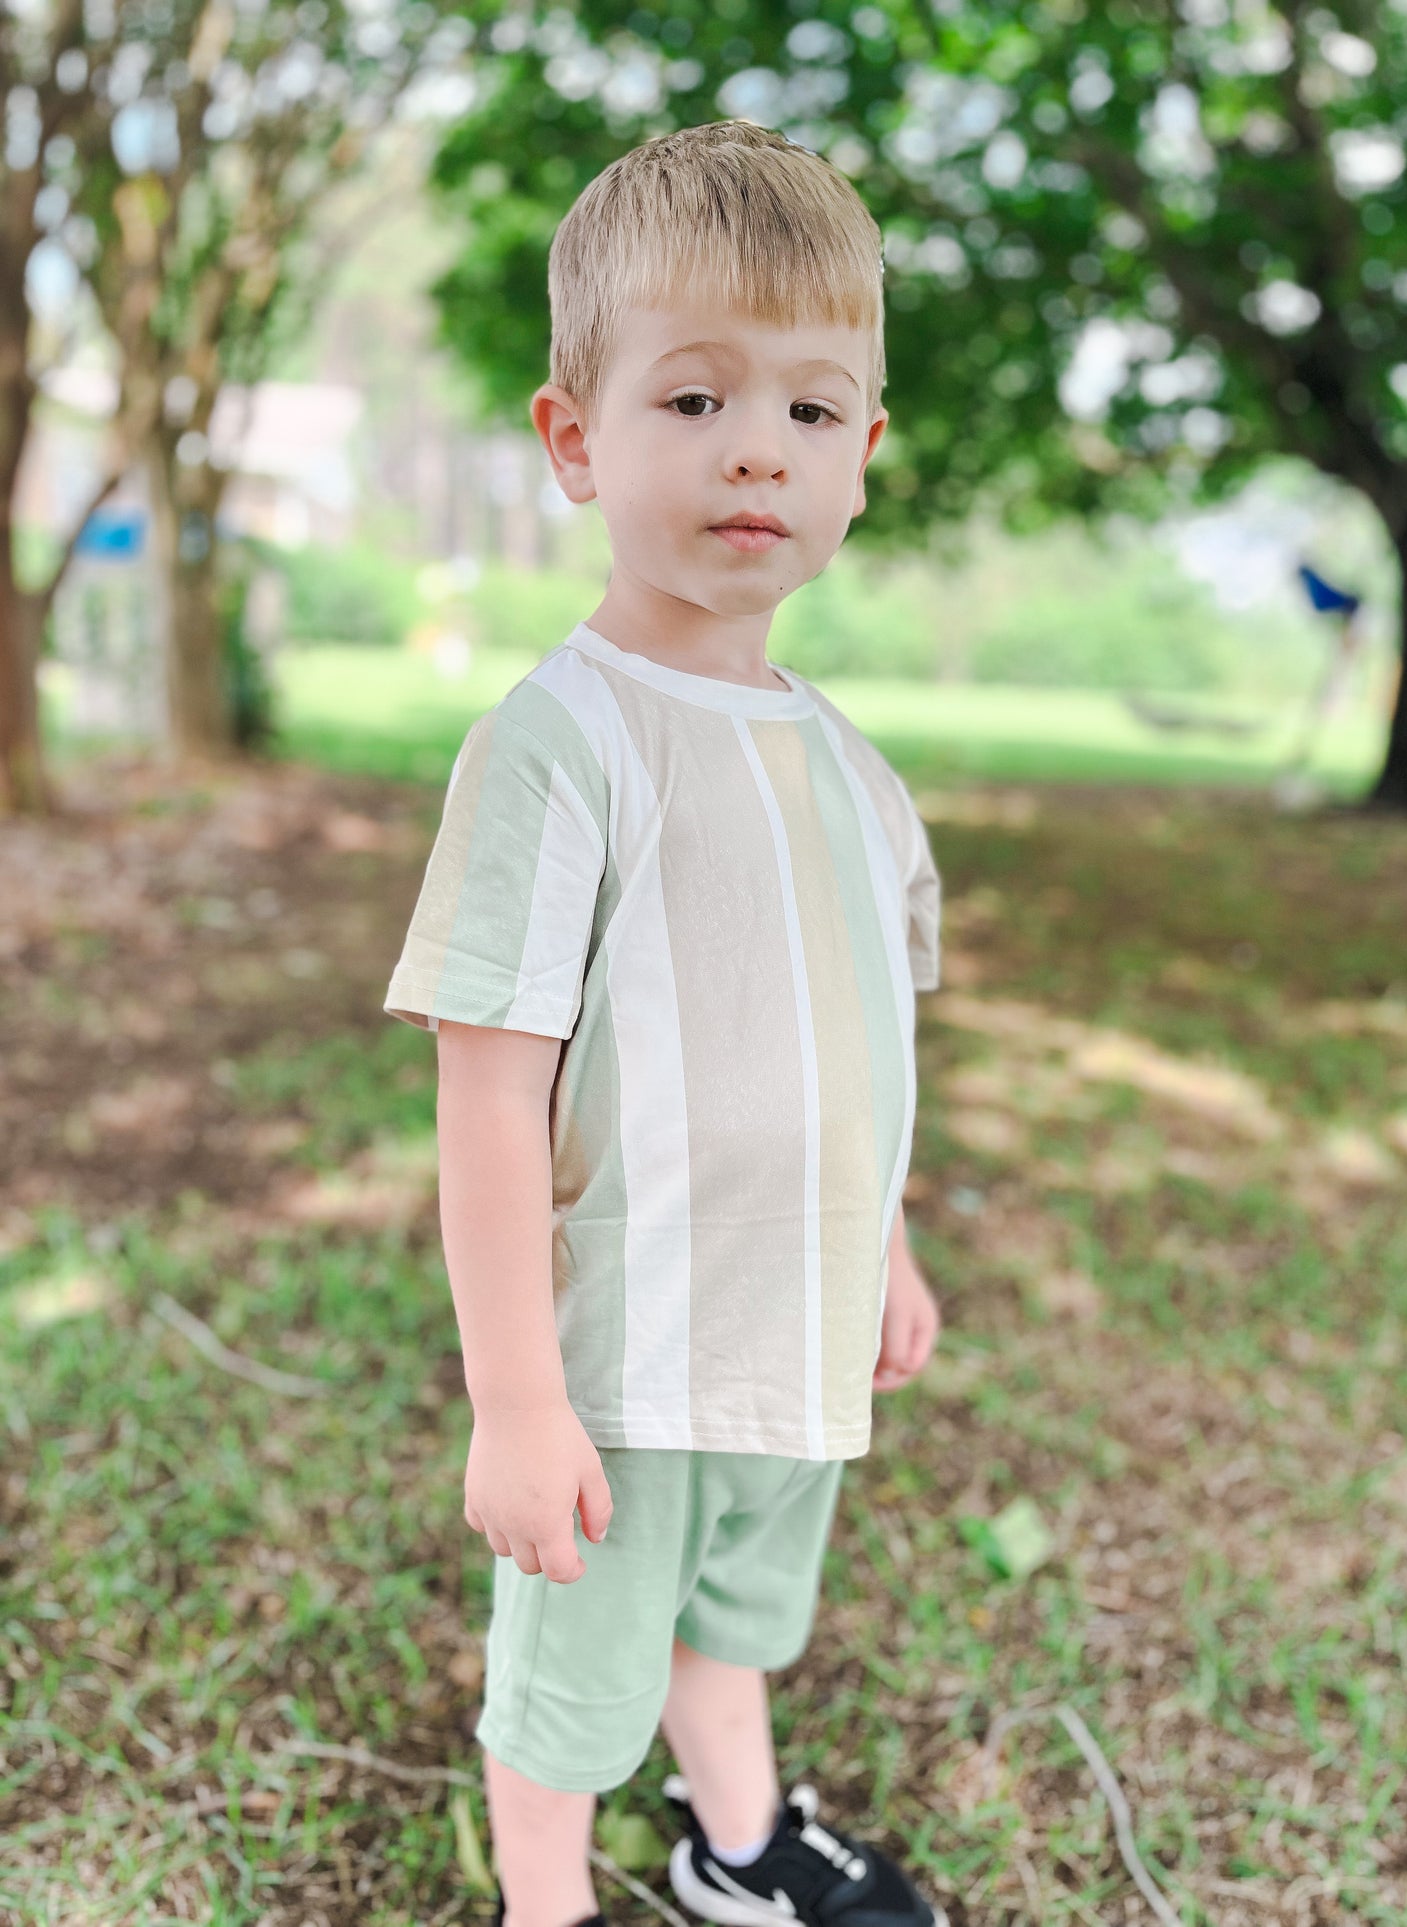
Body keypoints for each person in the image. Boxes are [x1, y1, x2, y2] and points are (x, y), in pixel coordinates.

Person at [383, 119, 948, 1927]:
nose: (753, 453)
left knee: (735, 1625)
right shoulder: (558, 746)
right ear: (576, 437)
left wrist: (889, 1245)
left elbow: (866, 1050)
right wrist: (518, 1398)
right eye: (692, 399)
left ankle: (737, 1849)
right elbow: (487, 1094)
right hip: (621, 1362)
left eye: (805, 409)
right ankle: (543, 1909)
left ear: (861, 453)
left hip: (792, 1329)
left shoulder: (857, 772)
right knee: (571, 1695)